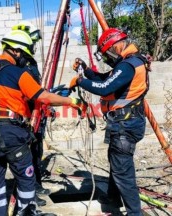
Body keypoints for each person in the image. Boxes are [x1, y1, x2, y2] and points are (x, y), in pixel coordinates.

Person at [0, 29, 87, 216]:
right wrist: (73, 102)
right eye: (26, 54)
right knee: (26, 179)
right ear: (16, 51)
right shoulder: (17, 72)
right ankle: (27, 213)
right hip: (10, 132)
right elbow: (43, 97)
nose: (26, 60)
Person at [69, 28, 149, 216]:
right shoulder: (131, 62)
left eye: (108, 53)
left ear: (115, 45)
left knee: (123, 171)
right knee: (117, 161)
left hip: (126, 124)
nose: (109, 57)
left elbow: (105, 88)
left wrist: (80, 81)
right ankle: (114, 197)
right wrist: (87, 70)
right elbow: (105, 79)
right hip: (126, 122)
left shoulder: (127, 66)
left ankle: (134, 213)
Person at [12, 21, 51, 207]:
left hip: (37, 112)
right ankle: (28, 192)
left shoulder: (31, 61)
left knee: (37, 151)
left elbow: (37, 88)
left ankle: (36, 184)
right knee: (26, 156)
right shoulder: (18, 64)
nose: (33, 46)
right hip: (26, 114)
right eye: (31, 42)